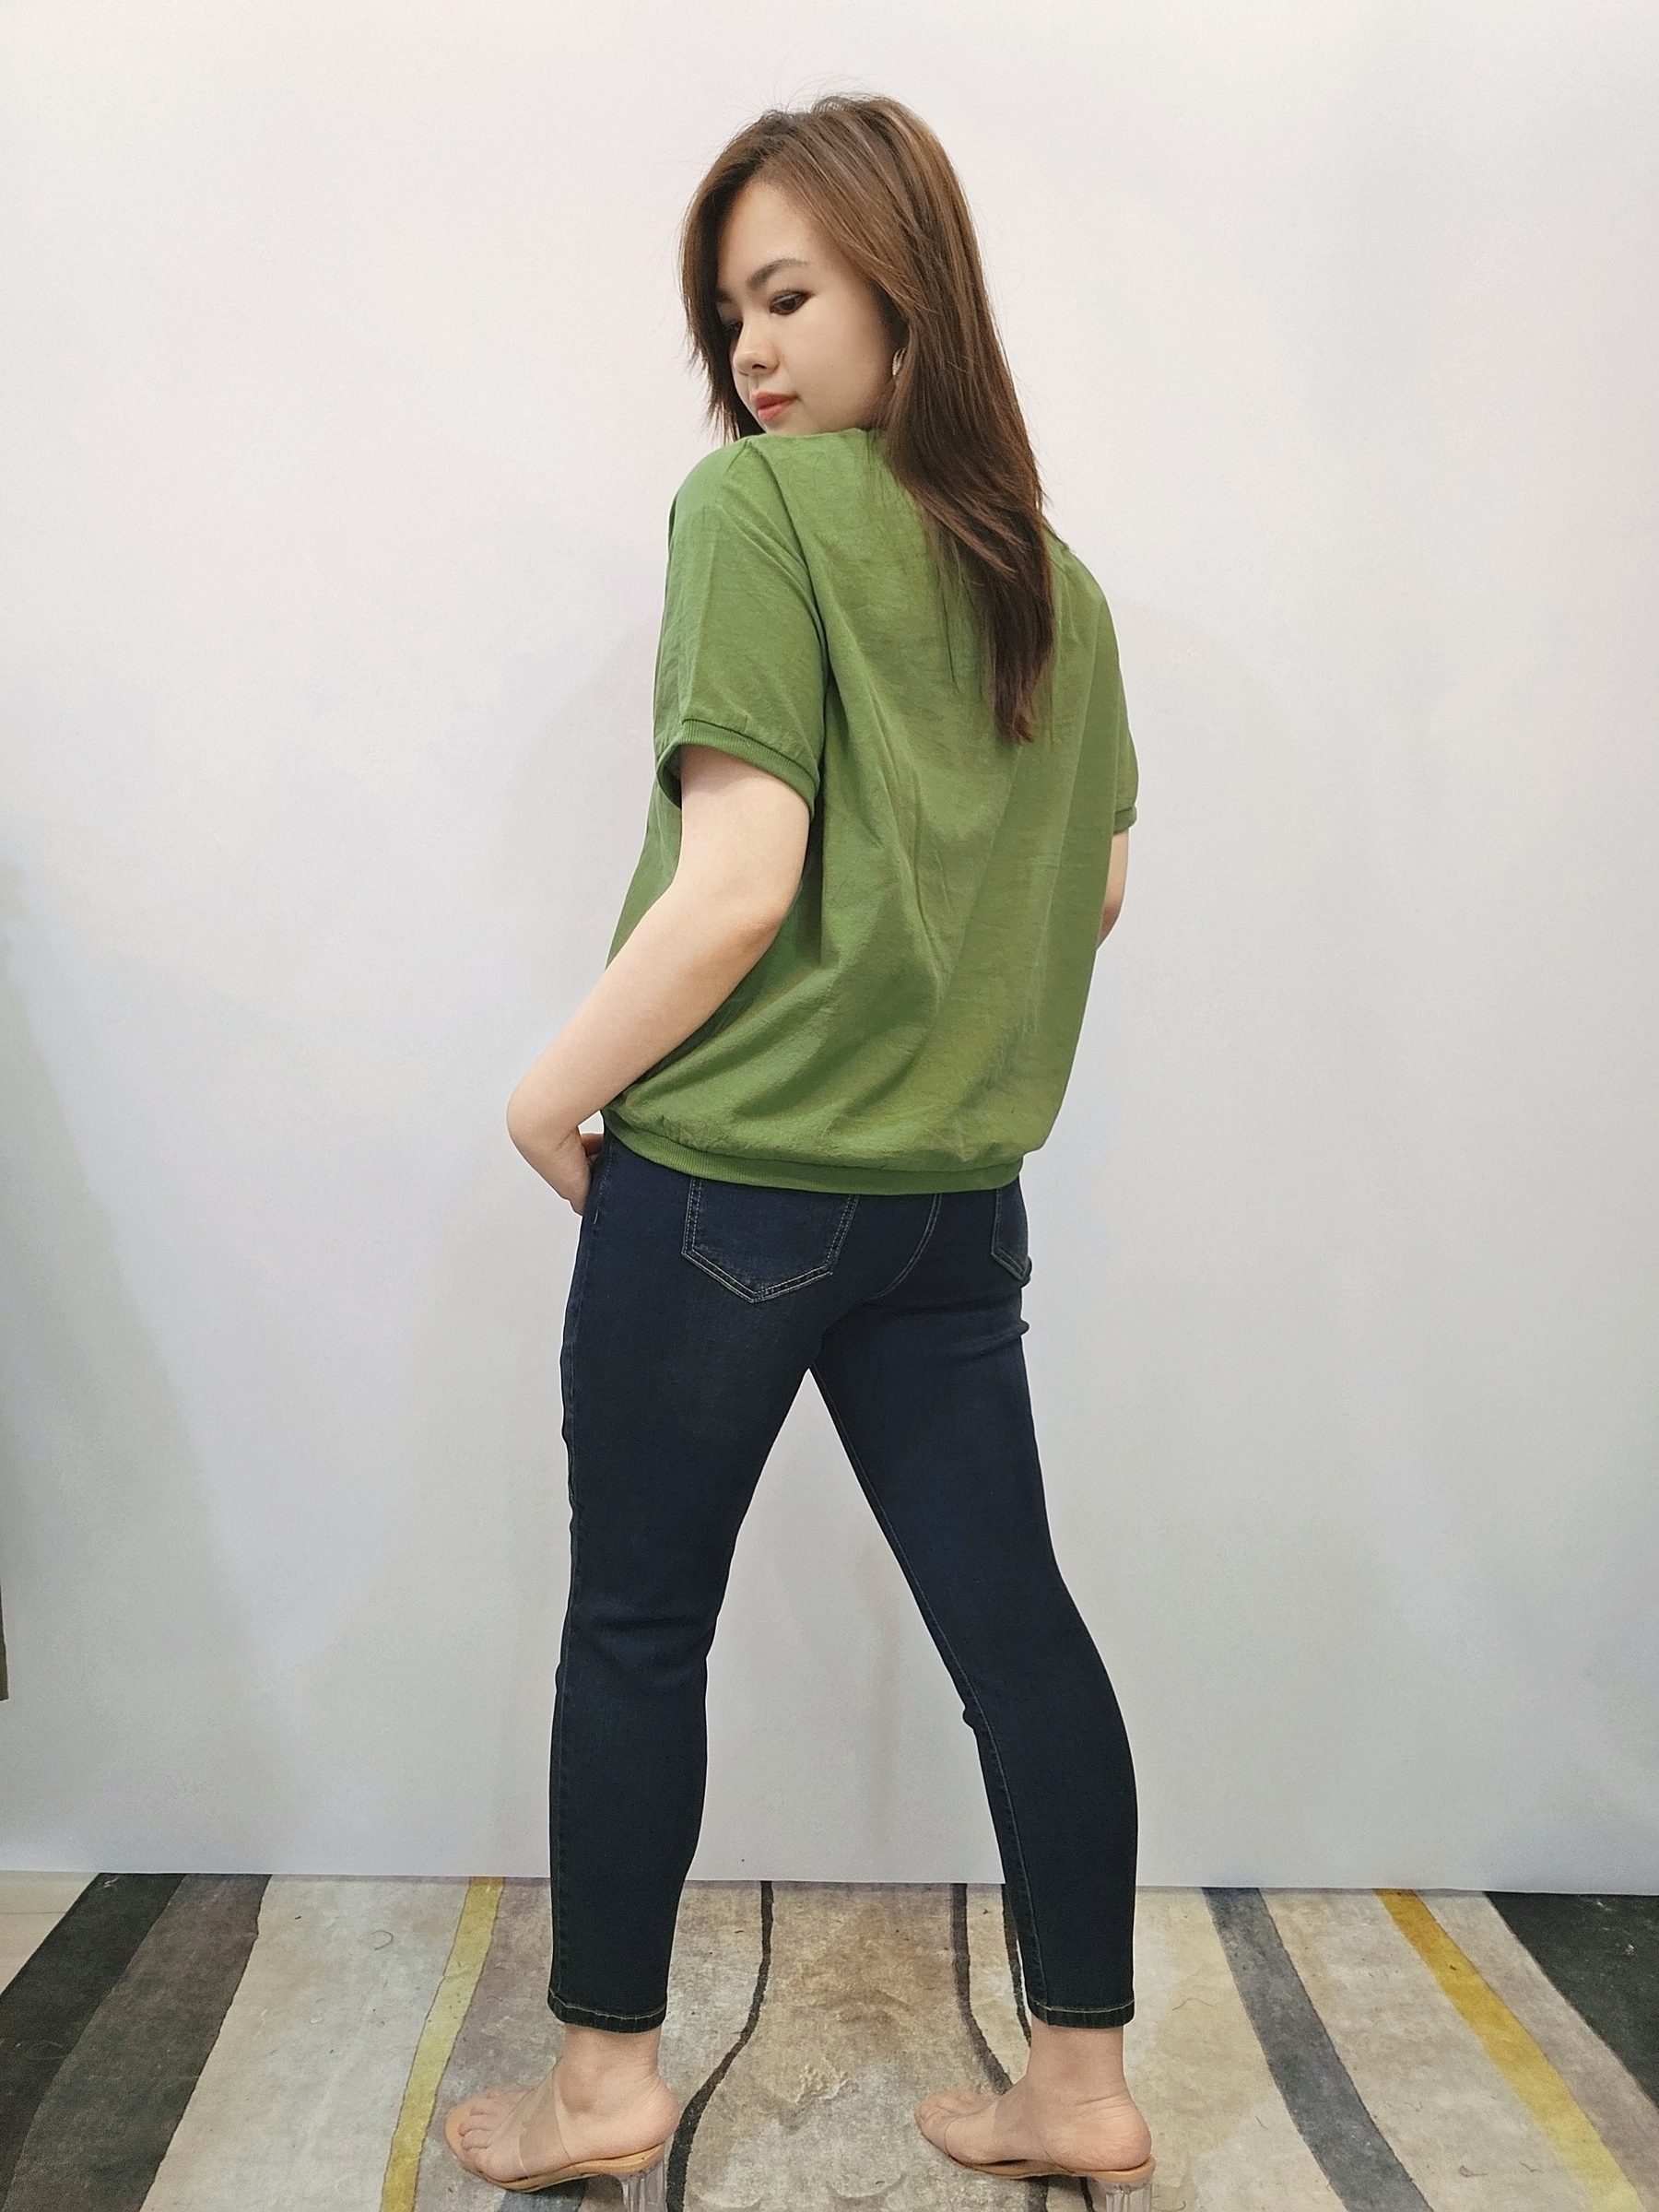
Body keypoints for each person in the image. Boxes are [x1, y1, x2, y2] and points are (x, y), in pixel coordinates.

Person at [444, 92, 1151, 2208]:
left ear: (905, 297)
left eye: (786, 297)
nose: (749, 352)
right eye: (728, 314)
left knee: (637, 1626)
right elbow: (1098, 885)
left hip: (730, 1195)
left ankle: (601, 2086)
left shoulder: (752, 512)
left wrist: (543, 1094)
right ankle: (1081, 2085)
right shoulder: (1054, 582)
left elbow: (739, 883)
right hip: (950, 1212)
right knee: (1017, 1629)